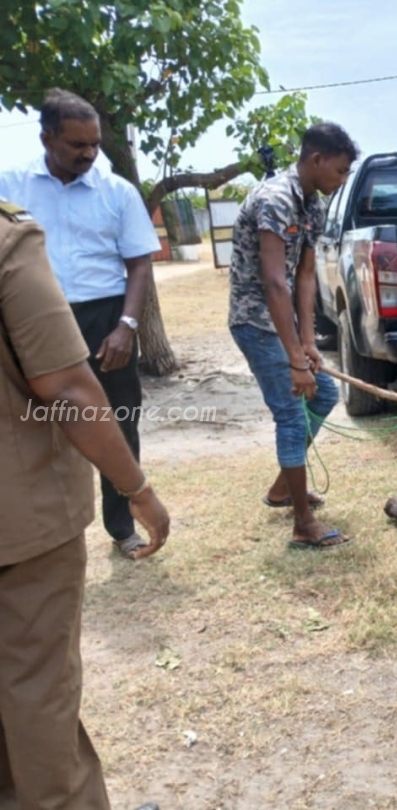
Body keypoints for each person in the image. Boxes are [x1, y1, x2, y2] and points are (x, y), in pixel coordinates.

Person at [0, 198, 169, 809]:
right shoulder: (8, 239)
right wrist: (138, 490)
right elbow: (68, 387)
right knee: (36, 693)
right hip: (20, 524)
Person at [0, 88, 162, 558]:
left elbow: (139, 265)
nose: (90, 153)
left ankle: (122, 526)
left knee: (119, 422)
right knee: (32, 426)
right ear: (47, 138)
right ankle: (40, 532)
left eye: (94, 144)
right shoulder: (10, 188)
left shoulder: (118, 192)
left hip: (105, 319)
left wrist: (127, 326)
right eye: (78, 145)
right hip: (28, 320)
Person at [228, 122, 358, 549]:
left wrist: (307, 342)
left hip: (283, 324)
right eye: (340, 171)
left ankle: (284, 487)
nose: (342, 181)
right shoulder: (275, 199)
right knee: (290, 411)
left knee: (322, 396)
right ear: (316, 160)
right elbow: (272, 282)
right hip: (255, 321)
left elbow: (304, 278)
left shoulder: (312, 206)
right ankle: (303, 524)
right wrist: (294, 358)